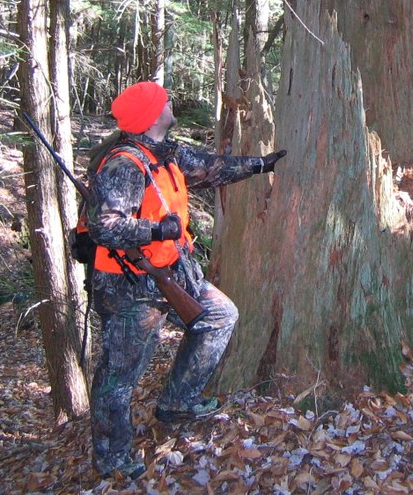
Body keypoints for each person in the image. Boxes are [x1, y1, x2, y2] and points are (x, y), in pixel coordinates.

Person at [85, 80, 285, 480]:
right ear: (152, 116)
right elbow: (103, 226)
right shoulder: (125, 165)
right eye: (164, 101)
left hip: (171, 274)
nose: (170, 102)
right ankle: (111, 460)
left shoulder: (165, 153)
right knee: (118, 379)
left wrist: (260, 165)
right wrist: (156, 232)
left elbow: (211, 167)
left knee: (219, 316)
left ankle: (178, 401)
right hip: (128, 288)